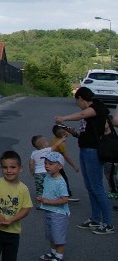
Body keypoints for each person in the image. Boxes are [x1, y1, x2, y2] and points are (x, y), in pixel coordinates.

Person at [53, 86, 114, 234]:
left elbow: (82, 114)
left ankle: (108, 223)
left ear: (81, 99)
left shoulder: (96, 107)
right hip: (85, 149)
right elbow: (86, 132)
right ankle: (95, 218)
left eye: (77, 101)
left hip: (93, 151)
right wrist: (72, 131)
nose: (78, 104)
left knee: (97, 187)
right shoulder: (90, 112)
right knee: (90, 186)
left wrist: (64, 117)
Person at [0, 150, 33, 261]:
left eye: (13, 167)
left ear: (20, 168)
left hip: (13, 231)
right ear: (1, 168)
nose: (8, 171)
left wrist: (12, 220)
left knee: (10, 257)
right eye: (5, 167)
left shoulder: (23, 189)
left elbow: (26, 209)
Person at [36, 151, 70, 261]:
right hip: (48, 210)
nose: (46, 166)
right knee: (50, 234)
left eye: (50, 164)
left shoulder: (60, 182)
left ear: (60, 166)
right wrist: (42, 197)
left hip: (58, 213)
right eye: (46, 163)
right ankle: (53, 252)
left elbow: (65, 199)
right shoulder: (48, 177)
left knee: (58, 235)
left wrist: (47, 201)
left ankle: (59, 256)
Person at [29, 135, 66, 209]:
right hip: (47, 172)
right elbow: (56, 145)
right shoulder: (47, 150)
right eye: (46, 141)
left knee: (39, 188)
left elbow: (31, 163)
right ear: (43, 144)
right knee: (48, 186)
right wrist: (62, 139)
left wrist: (32, 171)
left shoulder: (33, 153)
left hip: (38, 173)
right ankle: (50, 200)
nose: (48, 142)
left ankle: (39, 204)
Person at [50, 124, 79, 201]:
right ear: (63, 134)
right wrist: (74, 166)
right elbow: (67, 157)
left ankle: (54, 192)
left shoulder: (55, 139)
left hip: (51, 163)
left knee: (55, 178)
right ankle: (66, 194)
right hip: (56, 164)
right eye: (66, 131)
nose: (68, 131)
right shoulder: (61, 144)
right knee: (63, 178)